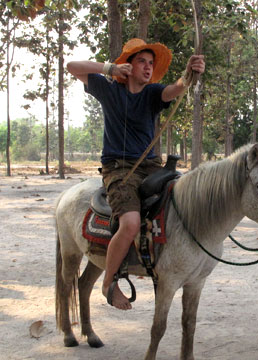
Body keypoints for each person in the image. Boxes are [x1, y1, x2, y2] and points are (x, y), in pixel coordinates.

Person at [66, 38, 205, 310]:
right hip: (118, 168)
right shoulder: (109, 90)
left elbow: (175, 89)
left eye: (151, 63)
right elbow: (71, 66)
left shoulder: (153, 93)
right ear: (128, 65)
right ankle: (108, 283)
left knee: (186, 202)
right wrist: (109, 68)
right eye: (142, 61)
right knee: (129, 223)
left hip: (151, 166)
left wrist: (189, 73)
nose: (148, 67)